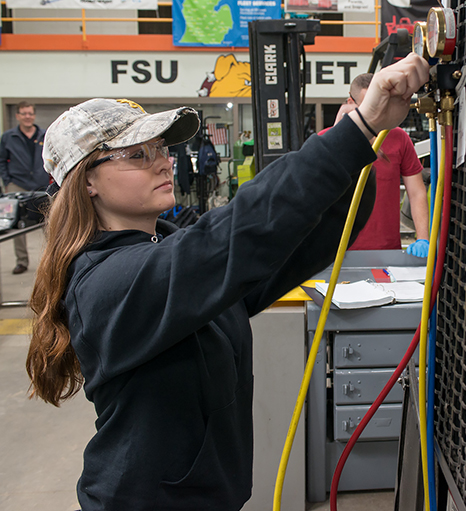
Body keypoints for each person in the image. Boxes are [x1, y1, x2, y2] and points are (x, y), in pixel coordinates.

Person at [26, 54, 429, 511]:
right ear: (87, 182)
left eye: (161, 149)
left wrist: (360, 150)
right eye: (138, 154)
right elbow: (237, 232)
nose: (163, 163)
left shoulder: (170, 255)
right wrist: (351, 132)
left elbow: (281, 247)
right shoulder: (108, 283)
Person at [319, 72, 430, 257]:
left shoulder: (398, 138)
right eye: (368, 107)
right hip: (335, 254)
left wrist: (423, 238)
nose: (376, 113)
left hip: (385, 252)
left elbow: (417, 192)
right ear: (350, 102)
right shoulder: (326, 140)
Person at [0, 101, 50, 274]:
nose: (27, 116)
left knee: (49, 223)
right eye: (23, 113)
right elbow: (1, 161)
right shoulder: (8, 137)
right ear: (17, 116)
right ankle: (22, 261)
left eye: (30, 113)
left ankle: (51, 260)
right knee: (18, 225)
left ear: (34, 115)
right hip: (17, 185)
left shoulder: (45, 135)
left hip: (41, 185)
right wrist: (7, 182)